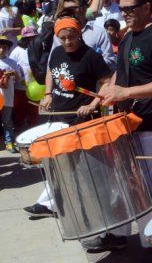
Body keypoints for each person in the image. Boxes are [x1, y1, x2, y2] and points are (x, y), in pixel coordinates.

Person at [93, 0, 152, 262]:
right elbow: (122, 70)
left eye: (130, 9)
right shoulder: (129, 35)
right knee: (125, 181)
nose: (125, 14)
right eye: (123, 10)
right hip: (127, 120)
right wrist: (108, 92)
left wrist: (126, 93)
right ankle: (119, 234)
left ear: (147, 8)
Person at [23, 17, 112, 219]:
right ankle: (50, 203)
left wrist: (91, 105)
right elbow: (50, 72)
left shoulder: (90, 57)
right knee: (59, 163)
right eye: (62, 38)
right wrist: (47, 94)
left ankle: (91, 207)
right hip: (59, 116)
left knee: (82, 167)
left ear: (78, 34)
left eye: (71, 37)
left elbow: (107, 82)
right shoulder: (56, 52)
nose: (67, 42)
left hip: (81, 120)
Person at [53, 0, 116, 70]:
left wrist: (89, 66)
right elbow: (52, 63)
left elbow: (110, 61)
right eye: (66, 10)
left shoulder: (99, 33)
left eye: (72, 9)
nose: (69, 12)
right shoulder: (60, 33)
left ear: (84, 9)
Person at [0, 35, 20, 151]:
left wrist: (13, 74)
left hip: (7, 96)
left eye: (4, 47)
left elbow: (17, 79)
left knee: (7, 120)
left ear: (8, 49)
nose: (2, 49)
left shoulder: (12, 62)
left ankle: (9, 142)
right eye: (0, 47)